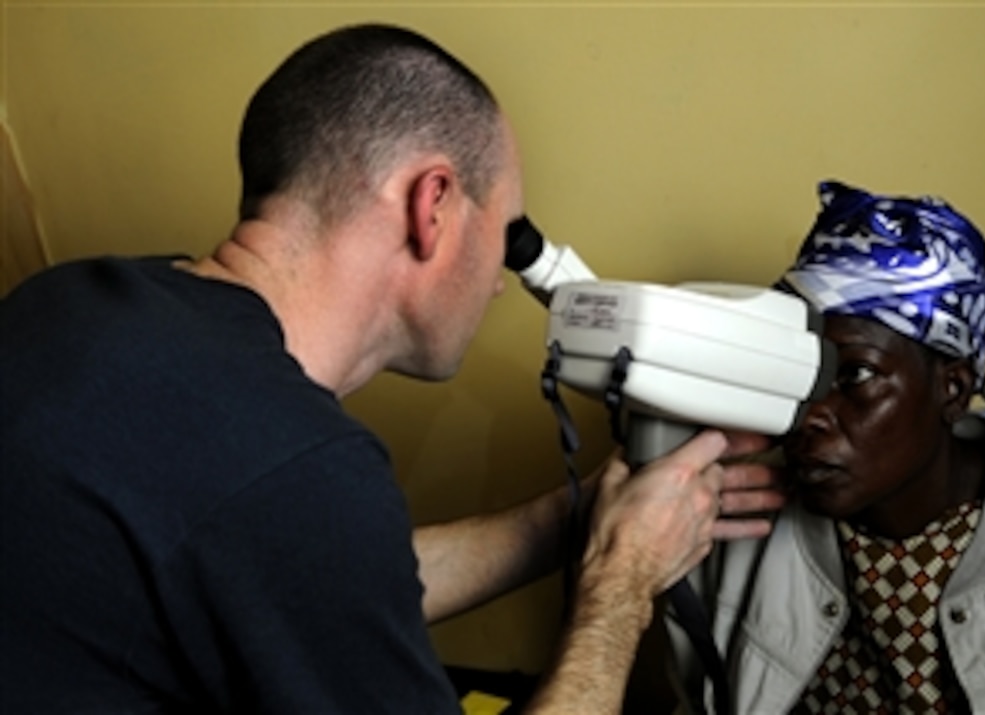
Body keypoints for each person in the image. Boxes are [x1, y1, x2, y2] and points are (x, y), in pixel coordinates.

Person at [0, 24, 786, 714]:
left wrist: (572, 522)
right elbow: (299, 524)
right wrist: (619, 584)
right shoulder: (298, 470)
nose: (497, 279)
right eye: (507, 234)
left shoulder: (74, 300)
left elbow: (323, 573)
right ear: (433, 203)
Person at [667, 181, 985, 714]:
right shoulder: (722, 525)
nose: (809, 413)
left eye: (855, 375)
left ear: (951, 389)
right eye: (799, 373)